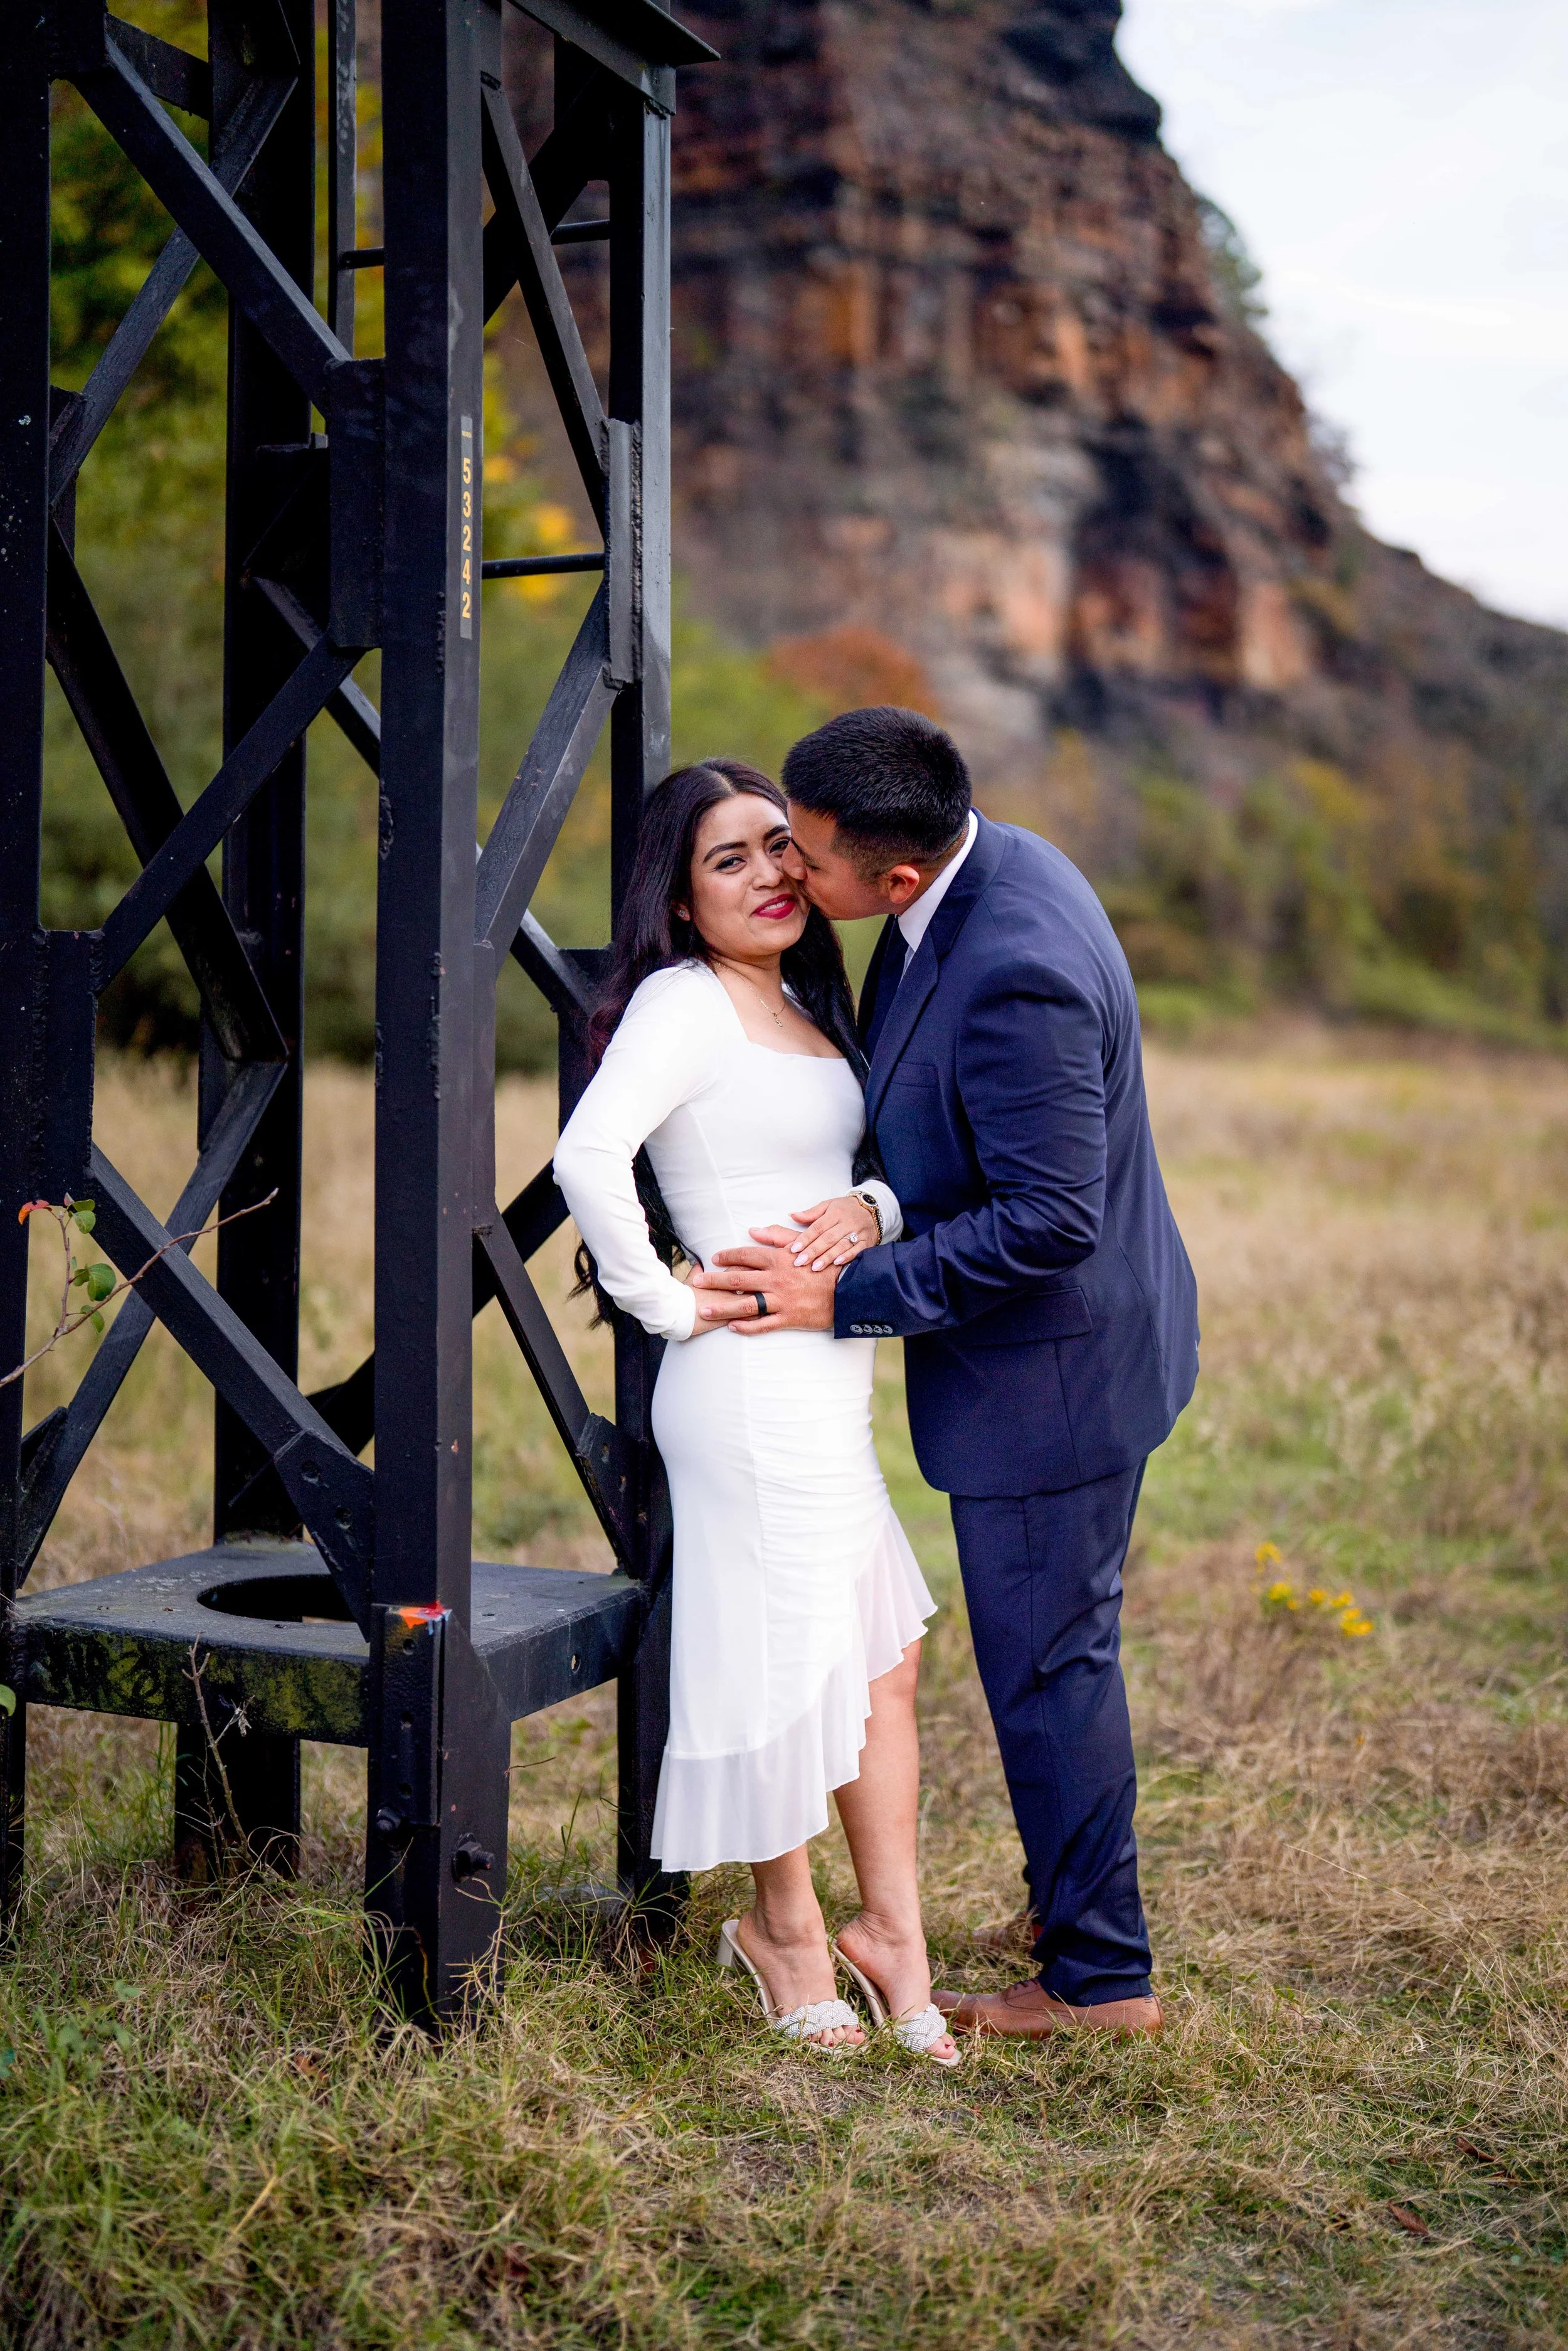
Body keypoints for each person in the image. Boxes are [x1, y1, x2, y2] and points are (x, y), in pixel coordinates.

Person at [689, 707, 1199, 2039]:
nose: (787, 874)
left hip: (1054, 1377)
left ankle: (1098, 1978)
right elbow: (948, 1129)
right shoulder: (987, 865)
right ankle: (1075, 1909)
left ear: (894, 875)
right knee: (1059, 1650)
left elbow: (1048, 1219)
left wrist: (838, 1294)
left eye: (805, 855)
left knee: (1048, 1665)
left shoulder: (1013, 961)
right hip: (1082, 1344)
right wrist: (877, 1198)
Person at [552, 758, 960, 2066]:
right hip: (740, 1386)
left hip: (824, 1380)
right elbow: (585, 1154)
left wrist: (877, 1213)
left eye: (781, 846)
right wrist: (666, 1303)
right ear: (678, 895)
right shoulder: (685, 1000)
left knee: (876, 1665)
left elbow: (866, 1173)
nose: (771, 873)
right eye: (728, 858)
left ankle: (893, 1937)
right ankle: (782, 1930)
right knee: (788, 1670)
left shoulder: (808, 1005)